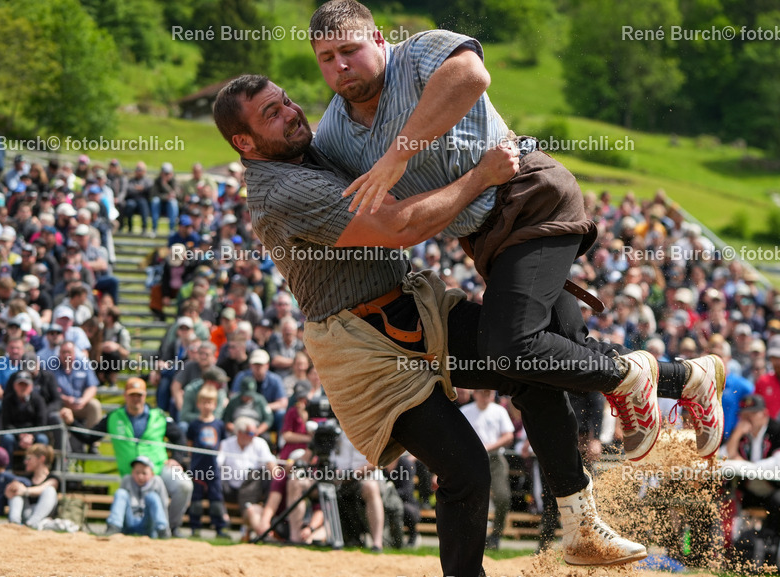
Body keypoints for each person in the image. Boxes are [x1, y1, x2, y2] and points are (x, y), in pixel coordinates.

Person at [213, 75, 671, 577]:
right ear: (245, 143)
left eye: (285, 100)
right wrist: (483, 176)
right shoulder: (280, 190)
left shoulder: (322, 148)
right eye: (270, 114)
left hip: (414, 306)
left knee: (524, 362)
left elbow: (447, 95)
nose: (289, 112)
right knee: (466, 467)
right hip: (360, 350)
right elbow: (397, 228)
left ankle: (583, 514)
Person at [307, 0, 724, 462]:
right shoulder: (332, 136)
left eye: (350, 48)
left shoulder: (418, 52)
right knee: (565, 351)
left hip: (528, 193)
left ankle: (631, 379)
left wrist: (397, 155)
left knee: (510, 346)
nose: (341, 64)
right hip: (484, 236)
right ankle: (687, 379)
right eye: (326, 57)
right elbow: (366, 213)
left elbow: (471, 76)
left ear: (379, 40)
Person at [60, 377, 193, 537]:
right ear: (125, 396)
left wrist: (176, 458)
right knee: (124, 495)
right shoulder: (114, 417)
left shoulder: (159, 416)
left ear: (145, 396)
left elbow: (180, 437)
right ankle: (116, 527)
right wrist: (72, 422)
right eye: (132, 395)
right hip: (131, 473)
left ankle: (171, 527)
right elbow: (89, 437)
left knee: (185, 485)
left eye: (139, 395)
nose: (136, 399)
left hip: (159, 468)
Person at [722, 394, 780, 567]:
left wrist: (747, 465)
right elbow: (725, 455)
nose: (747, 419)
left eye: (752, 414)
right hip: (750, 491)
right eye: (744, 415)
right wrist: (738, 432)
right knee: (728, 497)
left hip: (775, 489)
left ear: (764, 414)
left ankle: (773, 555)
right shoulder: (742, 435)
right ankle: (735, 552)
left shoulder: (779, 430)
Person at [459, 389, 514, 550]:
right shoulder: (466, 411)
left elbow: (508, 436)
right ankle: (471, 536)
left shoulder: (499, 411)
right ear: (475, 394)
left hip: (495, 459)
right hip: (472, 459)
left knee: (503, 496)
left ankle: (496, 535)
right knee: (471, 498)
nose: (486, 397)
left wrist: (488, 447)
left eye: (489, 393)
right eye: (483, 393)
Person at [217, 415, 276, 541]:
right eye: (250, 433)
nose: (254, 435)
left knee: (261, 476)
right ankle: (222, 518)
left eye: (255, 432)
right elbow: (217, 464)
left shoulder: (260, 443)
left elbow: (271, 464)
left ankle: (260, 531)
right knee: (214, 478)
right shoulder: (226, 444)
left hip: (252, 488)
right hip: (230, 488)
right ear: (239, 433)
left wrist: (278, 475)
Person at [187, 385, 229, 537]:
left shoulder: (219, 424)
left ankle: (219, 528)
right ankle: (195, 527)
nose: (206, 406)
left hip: (213, 468)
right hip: (198, 467)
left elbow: (221, 445)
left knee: (216, 498)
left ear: (215, 404)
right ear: (198, 404)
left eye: (210, 402)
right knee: (196, 499)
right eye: (203, 402)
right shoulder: (194, 425)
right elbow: (190, 445)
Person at [107, 456, 171, 538]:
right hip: (129, 521)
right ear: (132, 472)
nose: (140, 476)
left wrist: (166, 528)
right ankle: (113, 527)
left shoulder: (157, 481)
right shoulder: (127, 480)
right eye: (137, 473)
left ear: (152, 474)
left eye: (144, 473)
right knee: (121, 493)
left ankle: (162, 531)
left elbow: (163, 506)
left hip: (147, 523)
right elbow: (119, 504)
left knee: (153, 496)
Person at [5, 443, 59, 528]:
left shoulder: (53, 478)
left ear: (41, 459)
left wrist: (25, 491)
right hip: (26, 514)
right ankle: (14, 523)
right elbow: (10, 492)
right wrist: (12, 489)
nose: (25, 462)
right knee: (16, 491)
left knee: (50, 491)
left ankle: (31, 524)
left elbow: (43, 488)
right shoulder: (25, 479)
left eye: (29, 458)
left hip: (41, 519)